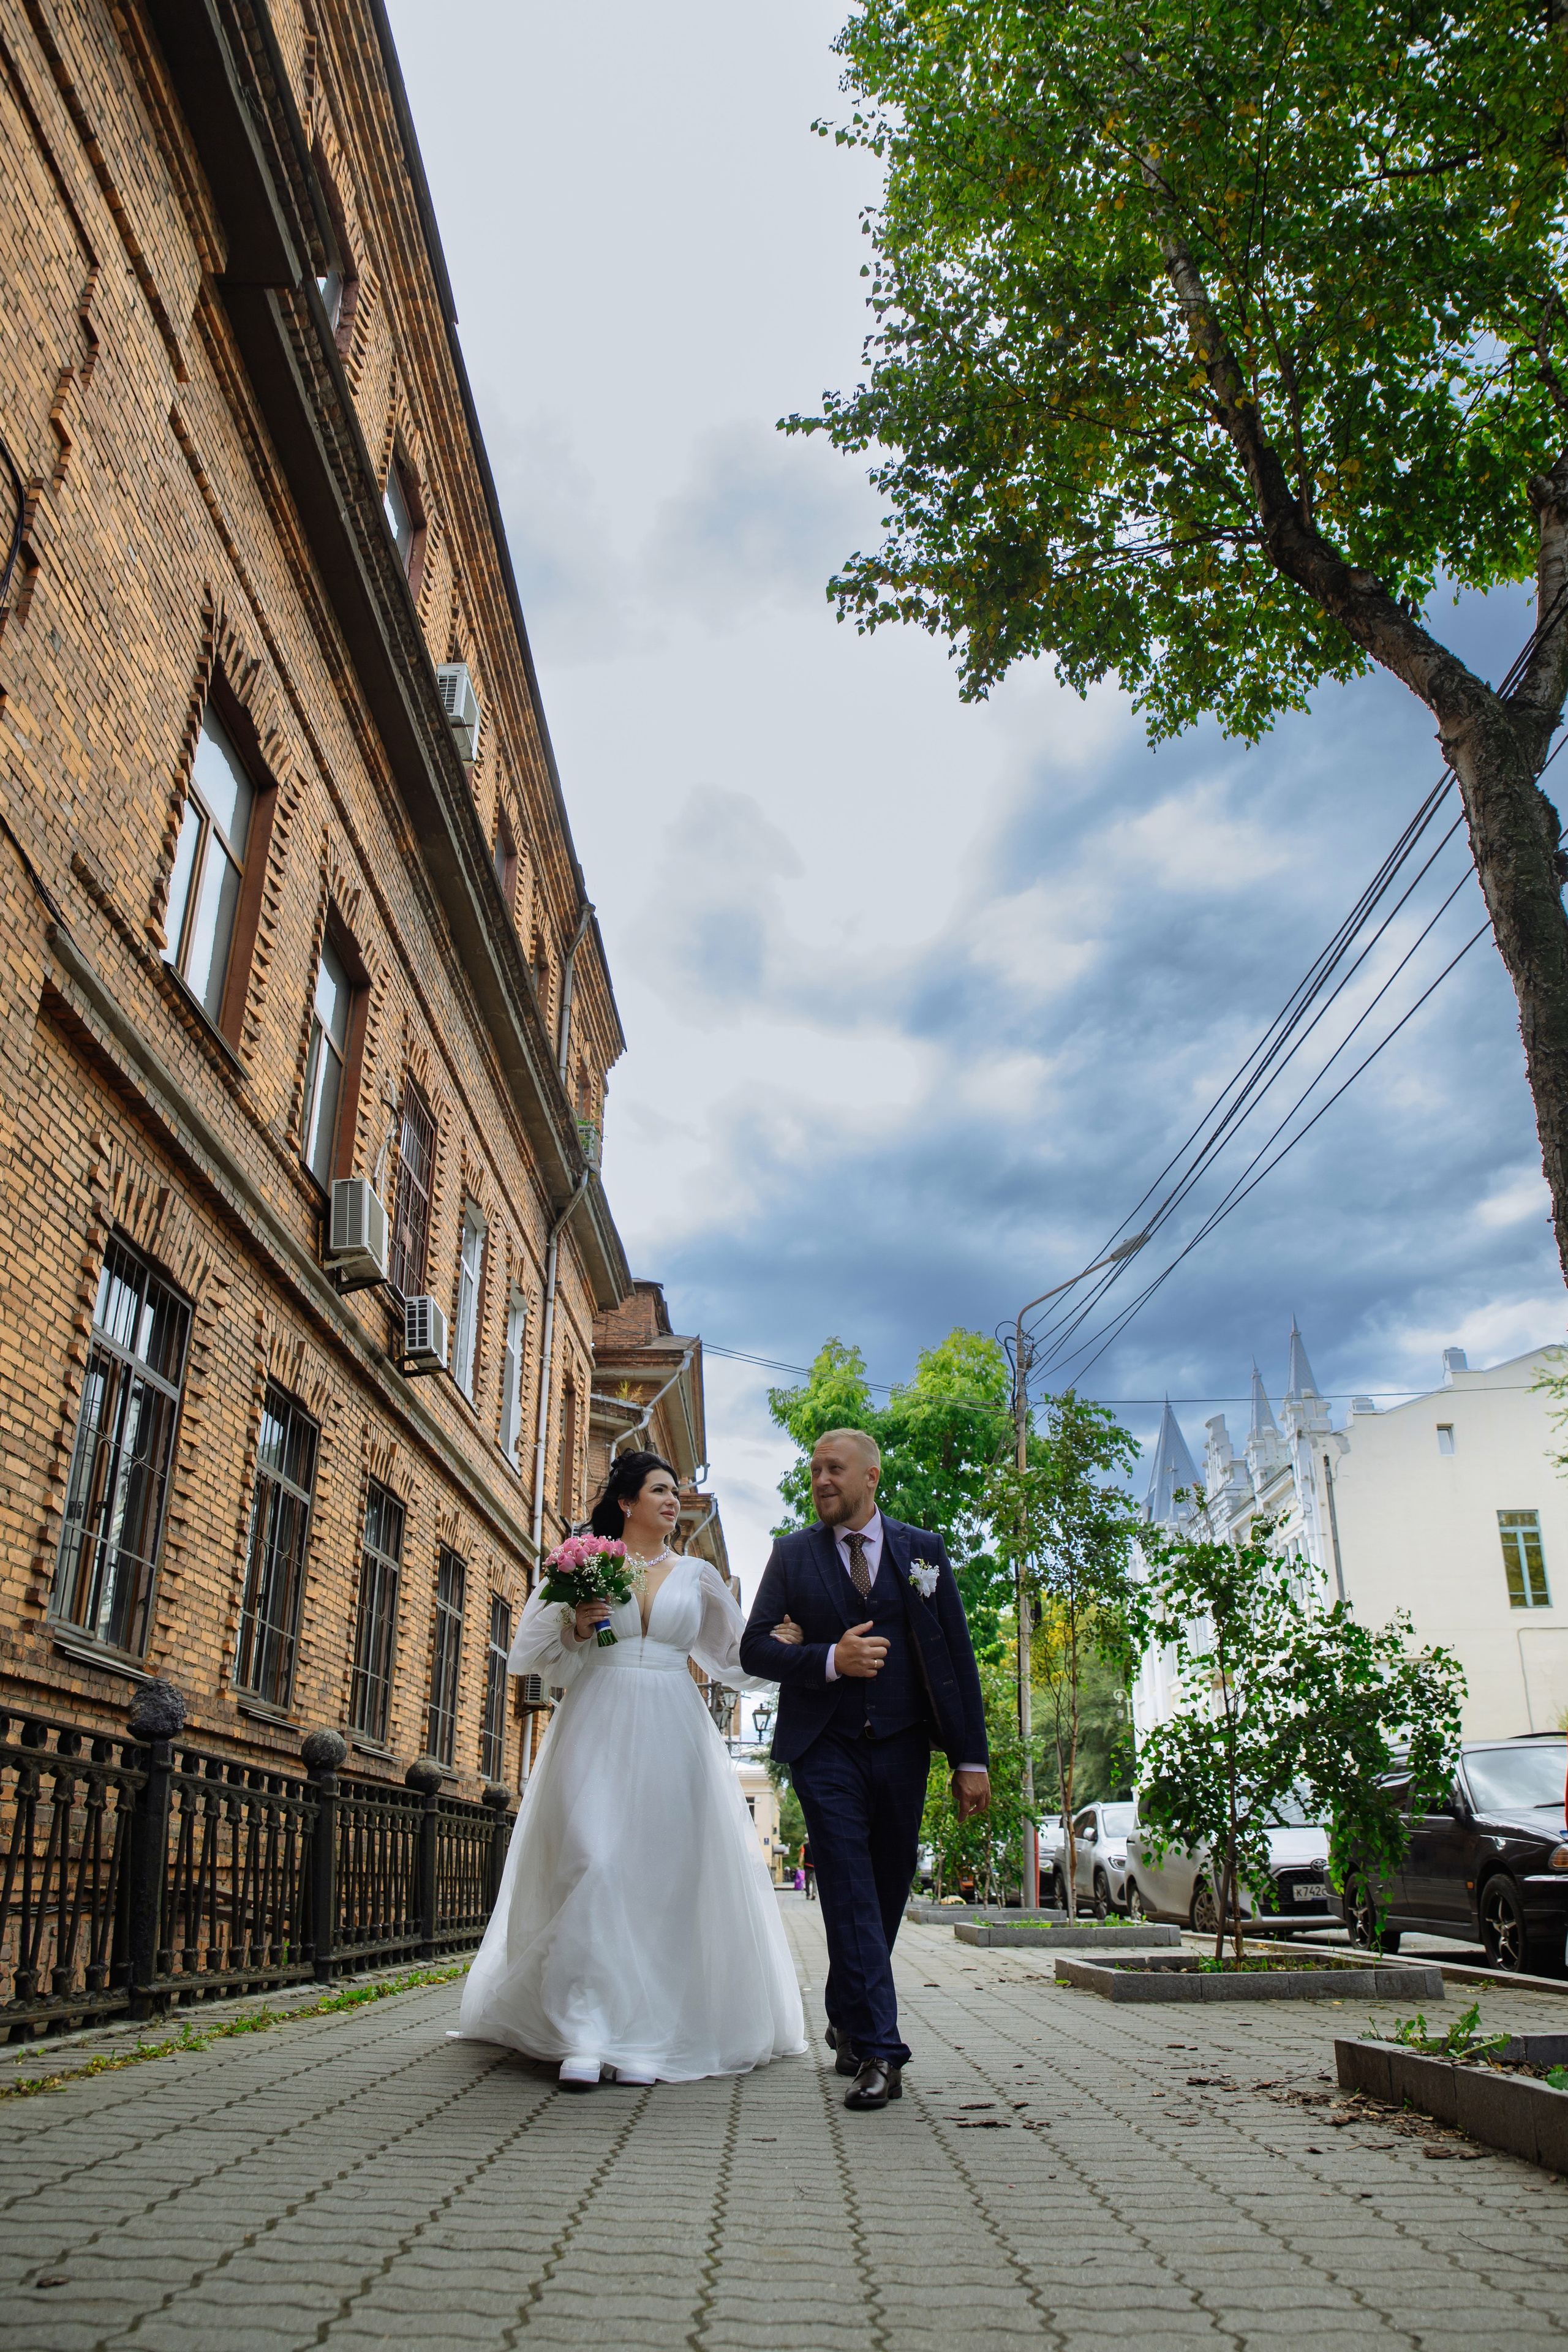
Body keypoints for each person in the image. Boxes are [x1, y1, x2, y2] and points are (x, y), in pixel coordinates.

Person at [457, 1450, 805, 2089]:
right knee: (591, 1860)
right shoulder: (583, 1564)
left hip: (674, 1731)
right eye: (660, 1490)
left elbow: (732, 1658)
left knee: (661, 1876)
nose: (673, 1501)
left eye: (676, 1492)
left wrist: (783, 1649)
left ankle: (648, 2030)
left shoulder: (698, 1575)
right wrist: (575, 1631)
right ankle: (584, 2030)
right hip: (596, 1722)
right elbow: (530, 1655)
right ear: (626, 1502)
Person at [739, 1428, 990, 2112]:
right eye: (814, 1469)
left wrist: (970, 1758)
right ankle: (882, 2051)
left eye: (834, 1469)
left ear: (871, 1477)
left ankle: (848, 2014)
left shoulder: (922, 1551)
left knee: (883, 1889)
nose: (821, 1480)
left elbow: (955, 1656)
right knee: (849, 1887)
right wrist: (829, 1659)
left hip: (904, 1744)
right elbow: (754, 1648)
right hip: (825, 1746)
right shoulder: (792, 1554)